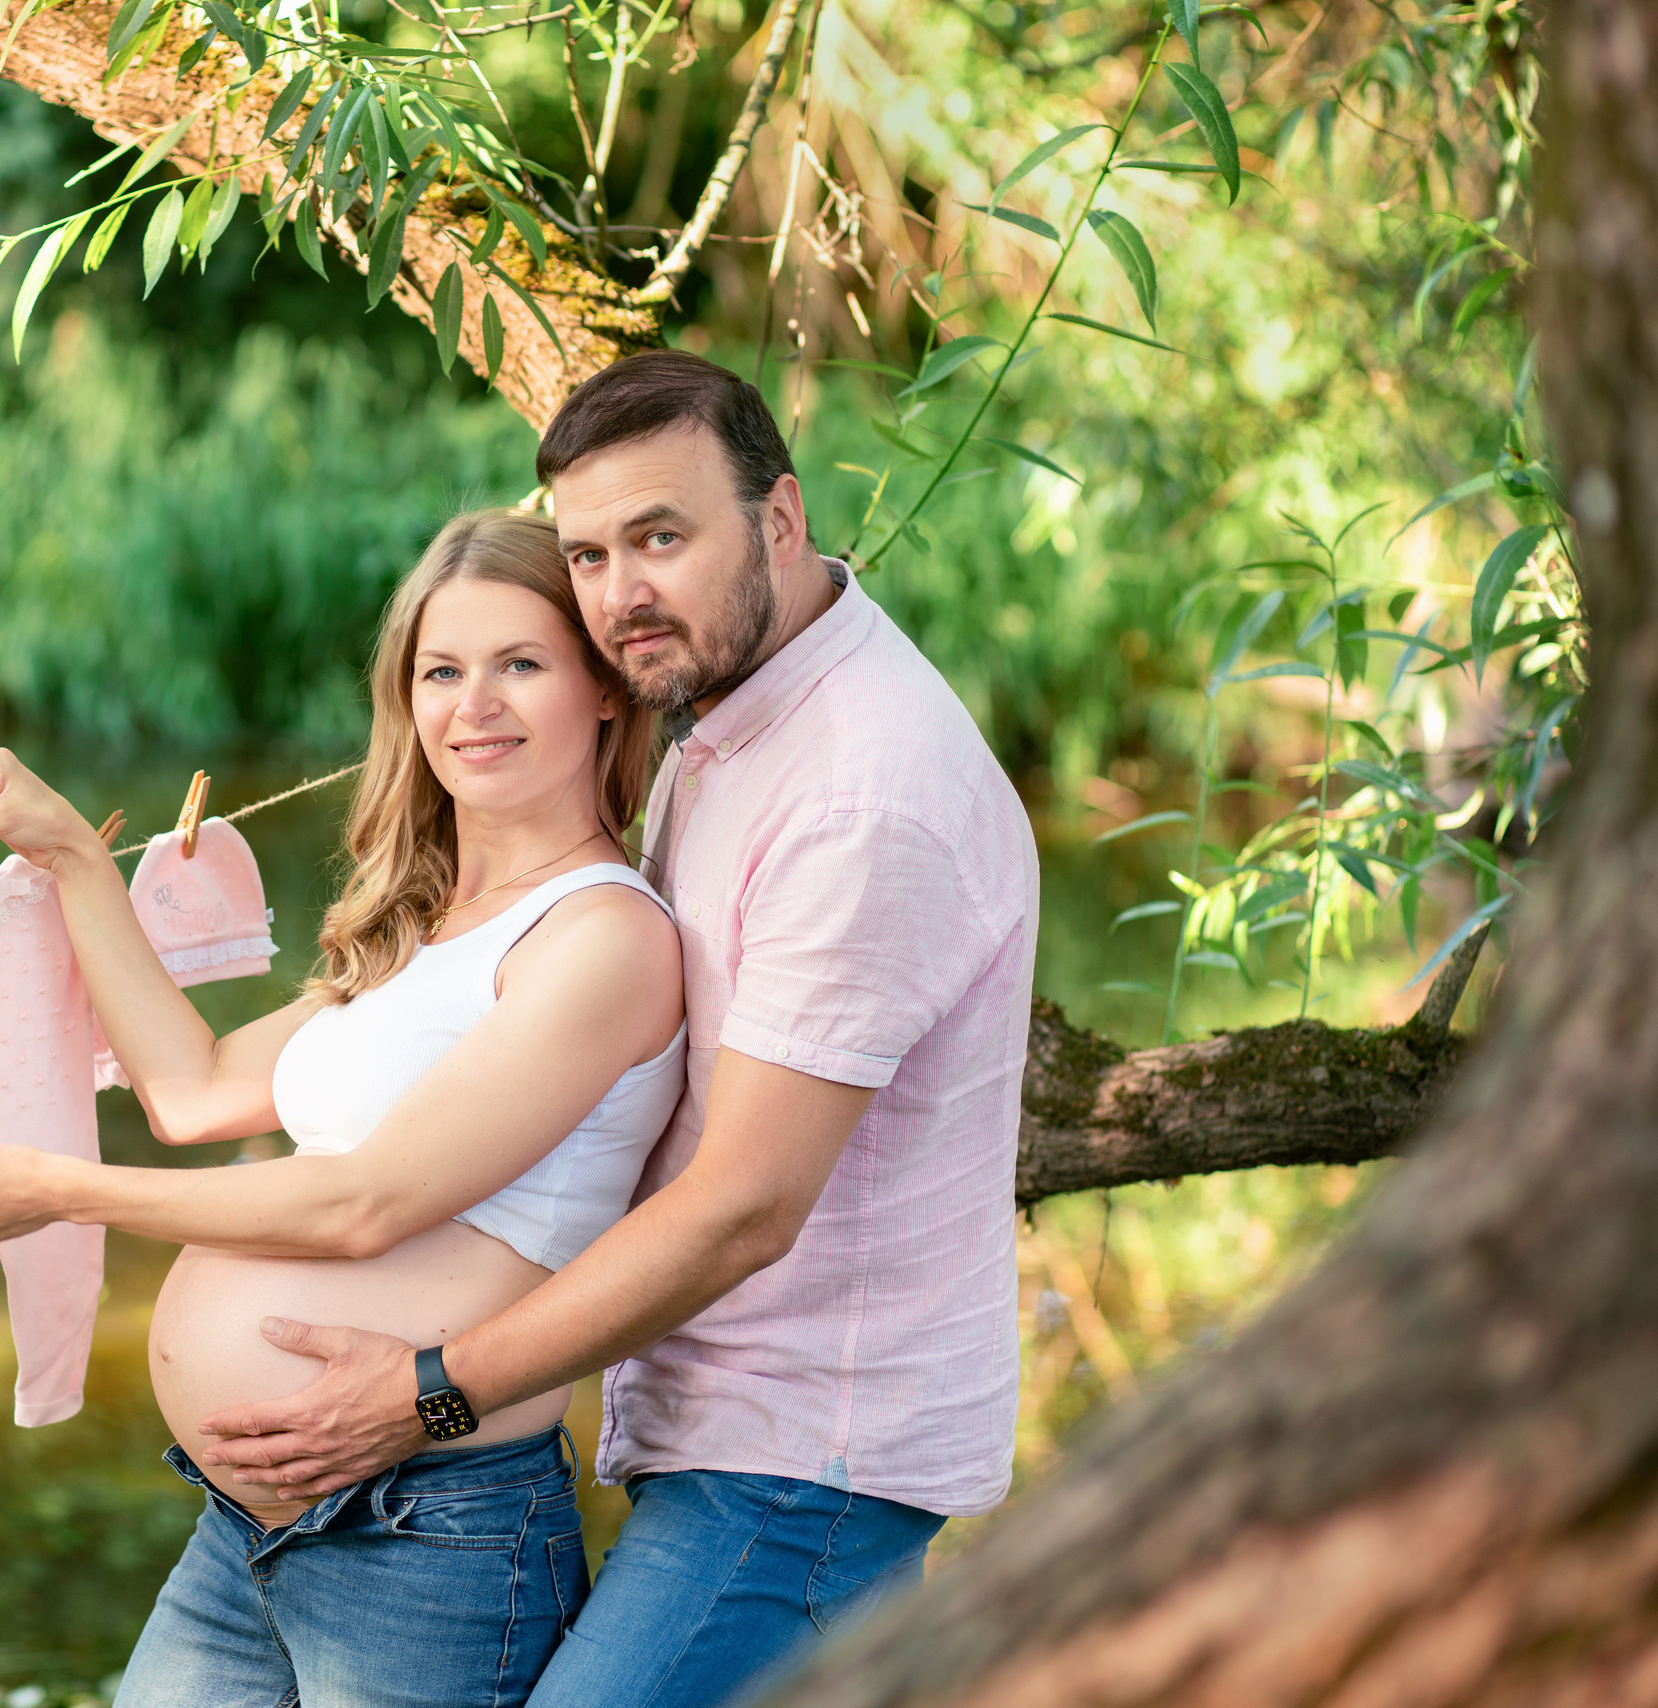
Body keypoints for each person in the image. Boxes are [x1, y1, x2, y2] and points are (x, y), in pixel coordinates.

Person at [184, 352, 1043, 1706]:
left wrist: (427, 1393)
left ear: (779, 520)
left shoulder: (861, 793)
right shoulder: (733, 722)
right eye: (587, 553)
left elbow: (742, 1209)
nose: (619, 595)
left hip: (804, 1463)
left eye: (661, 536)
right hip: (705, 1427)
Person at [0, 509, 689, 1708]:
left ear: (605, 692)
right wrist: (68, 855)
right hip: (245, 1530)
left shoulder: (600, 938)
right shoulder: (421, 930)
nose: (474, 704)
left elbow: (365, 1204)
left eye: (520, 663)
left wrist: (51, 1189)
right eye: (441, 671)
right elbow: (192, 1089)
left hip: (429, 1530)